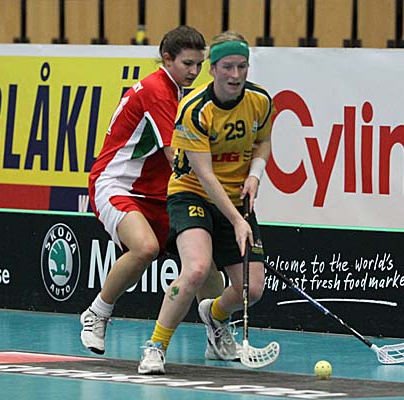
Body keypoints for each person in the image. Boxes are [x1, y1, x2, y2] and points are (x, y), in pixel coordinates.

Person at [81, 25, 226, 356]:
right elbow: (178, 157)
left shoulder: (183, 93)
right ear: (167, 59)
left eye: (199, 64)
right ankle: (97, 313)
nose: (194, 71)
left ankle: (218, 333)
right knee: (145, 247)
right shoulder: (158, 91)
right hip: (118, 185)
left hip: (161, 193)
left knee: (204, 262)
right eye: (187, 64)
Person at [137, 31, 274, 375]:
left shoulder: (260, 100)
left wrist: (255, 175)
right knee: (197, 269)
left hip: (235, 196)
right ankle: (156, 346)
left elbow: (263, 141)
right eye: (227, 67)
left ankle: (214, 316)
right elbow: (206, 175)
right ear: (212, 69)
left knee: (252, 289)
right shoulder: (195, 109)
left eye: (242, 66)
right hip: (192, 193)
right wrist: (238, 220)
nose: (235, 75)